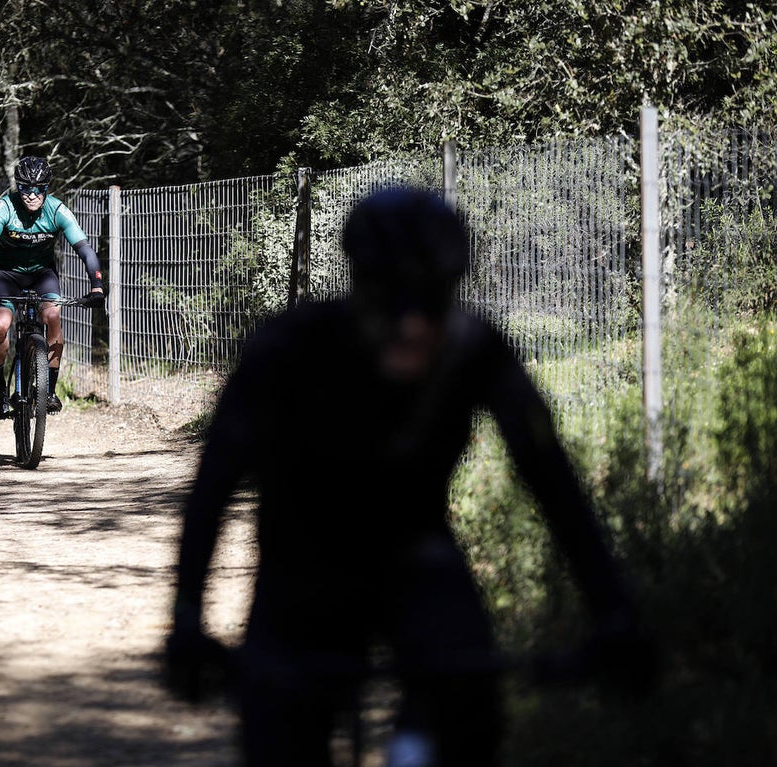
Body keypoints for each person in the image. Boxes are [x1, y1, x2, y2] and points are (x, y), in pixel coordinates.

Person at [162, 187, 656, 767]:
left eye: (429, 303)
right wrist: (187, 619)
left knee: (469, 714)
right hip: (301, 566)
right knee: (281, 730)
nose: (410, 324)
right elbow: (214, 485)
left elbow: (554, 484)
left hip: (416, 557)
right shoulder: (287, 347)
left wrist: (614, 609)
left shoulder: (476, 349)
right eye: (389, 302)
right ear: (357, 291)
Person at [0, 156, 105, 419]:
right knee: (0, 327)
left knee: (52, 317)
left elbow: (84, 249)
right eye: (25, 188)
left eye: (38, 188)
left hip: (42, 275)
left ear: (47, 188)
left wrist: (97, 286)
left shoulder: (57, 210)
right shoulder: (4, 207)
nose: (31, 195)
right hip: (7, 275)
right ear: (18, 187)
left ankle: (49, 389)